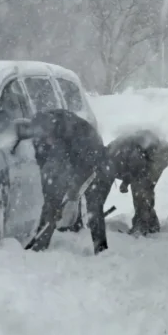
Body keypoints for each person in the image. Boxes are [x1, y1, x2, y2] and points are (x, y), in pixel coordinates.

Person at [26, 109, 113, 255]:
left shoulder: (76, 133)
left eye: (49, 137)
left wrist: (73, 191)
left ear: (54, 130)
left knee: (94, 207)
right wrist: (50, 196)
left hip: (93, 161)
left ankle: (101, 249)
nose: (47, 140)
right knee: (50, 205)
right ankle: (40, 246)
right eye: (44, 138)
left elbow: (84, 167)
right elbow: (43, 164)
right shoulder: (39, 133)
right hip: (69, 159)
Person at [107, 127, 168, 235]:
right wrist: (126, 181)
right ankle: (151, 224)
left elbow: (136, 162)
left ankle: (142, 226)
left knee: (140, 189)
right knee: (143, 188)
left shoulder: (114, 154)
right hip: (150, 154)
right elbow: (129, 164)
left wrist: (126, 182)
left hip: (159, 152)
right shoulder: (113, 154)